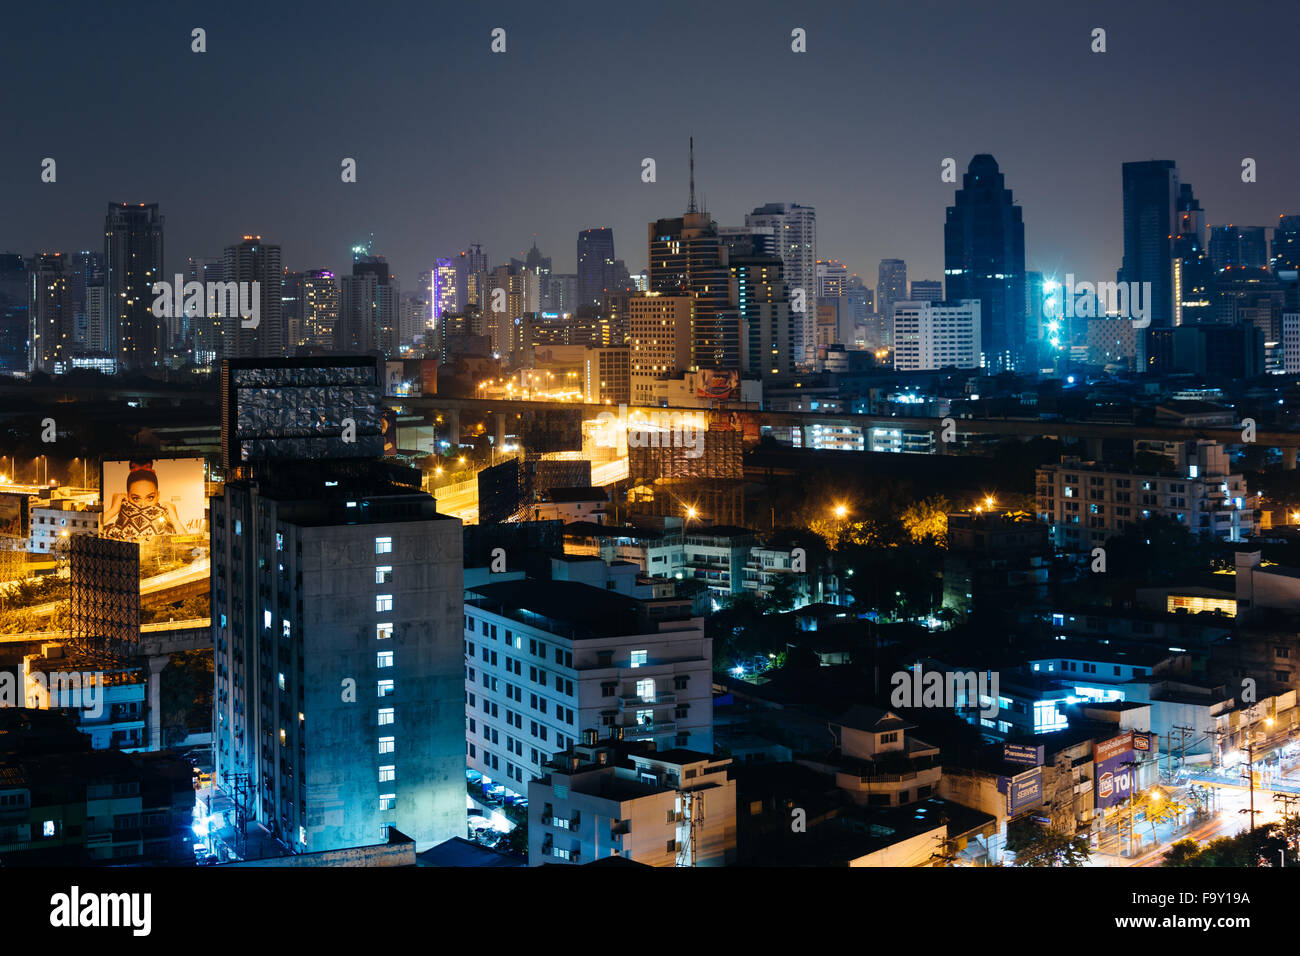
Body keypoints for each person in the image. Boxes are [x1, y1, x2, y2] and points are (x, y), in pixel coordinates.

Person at [102, 461, 183, 540]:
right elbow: (90, 531)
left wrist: (175, 520)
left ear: (158, 495)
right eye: (136, 498)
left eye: (150, 497)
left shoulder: (166, 530)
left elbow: (189, 548)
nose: (143, 504)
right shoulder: (116, 531)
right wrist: (112, 510)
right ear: (127, 496)